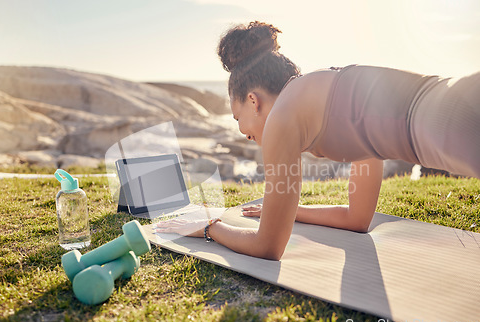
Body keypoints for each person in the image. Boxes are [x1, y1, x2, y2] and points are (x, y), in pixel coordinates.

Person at [154, 21, 480, 260]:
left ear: (253, 100)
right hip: (459, 100)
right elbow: (357, 219)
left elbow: (268, 247)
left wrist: (210, 228)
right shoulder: (334, 95)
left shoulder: (283, 116)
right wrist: (290, 211)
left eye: (239, 119)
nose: (245, 135)